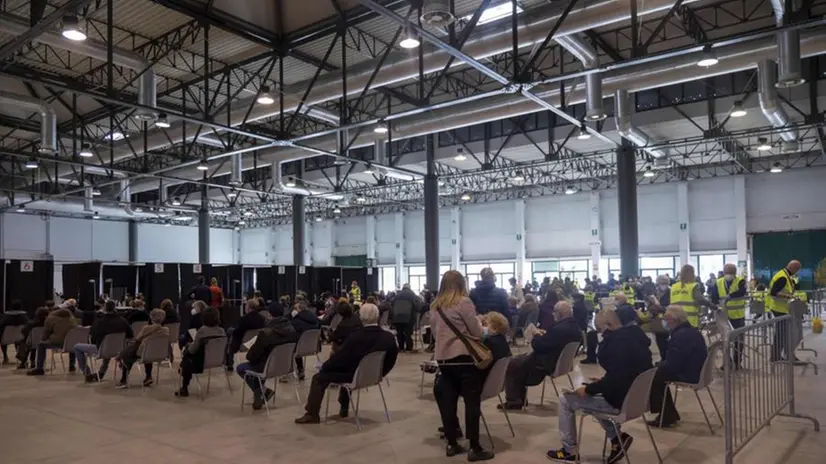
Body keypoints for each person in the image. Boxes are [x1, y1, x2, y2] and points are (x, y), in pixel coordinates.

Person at [546, 309, 653, 463]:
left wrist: (590, 389)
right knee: (592, 397)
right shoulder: (636, 338)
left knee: (565, 399)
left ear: (609, 325)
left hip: (621, 403)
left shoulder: (617, 344)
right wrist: (603, 381)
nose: (600, 335)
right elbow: (625, 372)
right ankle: (617, 438)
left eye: (600, 330)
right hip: (638, 400)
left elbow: (618, 376)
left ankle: (569, 451)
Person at [429, 270, 494, 461]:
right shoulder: (464, 302)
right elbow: (475, 331)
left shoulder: (434, 306)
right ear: (461, 284)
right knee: (471, 403)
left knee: (448, 401)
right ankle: (475, 447)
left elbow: (434, 333)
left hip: (443, 359)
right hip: (464, 359)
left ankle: (452, 443)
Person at [295, 304, 398, 424]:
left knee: (318, 378)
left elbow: (340, 359)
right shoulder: (389, 337)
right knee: (347, 370)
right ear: (378, 316)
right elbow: (392, 359)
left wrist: (324, 366)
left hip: (354, 376)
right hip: (373, 376)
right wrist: (381, 373)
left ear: (360, 317)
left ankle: (312, 414)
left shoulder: (356, 337)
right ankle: (343, 407)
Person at [437, 312, 512, 441]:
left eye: (485, 324)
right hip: (492, 385)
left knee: (441, 386)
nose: (482, 327)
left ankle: (452, 426)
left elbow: (475, 365)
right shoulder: (502, 343)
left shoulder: (488, 344)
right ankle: (452, 426)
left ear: (493, 327)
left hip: (478, 385)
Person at [500, 301, 582, 409]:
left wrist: (536, 335)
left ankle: (514, 400)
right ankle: (518, 398)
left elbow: (538, 346)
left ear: (559, 313)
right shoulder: (574, 327)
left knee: (512, 364)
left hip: (544, 362)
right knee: (518, 360)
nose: (553, 315)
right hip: (557, 361)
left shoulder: (559, 329)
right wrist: (546, 335)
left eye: (554, 312)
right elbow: (552, 341)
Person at [647, 306, 708, 428]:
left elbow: (673, 364)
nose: (664, 322)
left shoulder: (680, 336)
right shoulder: (691, 331)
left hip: (689, 373)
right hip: (698, 370)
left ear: (674, 320)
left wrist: (658, 365)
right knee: (658, 373)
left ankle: (666, 415)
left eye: (666, 319)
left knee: (652, 375)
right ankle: (668, 414)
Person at [236, 315, 298, 410]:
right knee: (258, 366)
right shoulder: (292, 332)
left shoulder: (266, 334)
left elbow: (250, 357)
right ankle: (261, 394)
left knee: (241, 368)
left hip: (267, 368)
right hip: (285, 367)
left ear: (271, 316)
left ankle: (262, 391)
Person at [73, 300, 133, 383]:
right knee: (108, 344)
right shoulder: (123, 321)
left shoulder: (99, 322)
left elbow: (92, 337)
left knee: (77, 347)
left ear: (104, 308)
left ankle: (87, 373)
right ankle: (101, 372)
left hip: (102, 349)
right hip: (119, 349)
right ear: (115, 308)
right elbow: (130, 335)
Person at [174, 307, 225, 397]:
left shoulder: (202, 330)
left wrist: (188, 346)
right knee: (188, 357)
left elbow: (193, 349)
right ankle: (182, 369)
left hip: (201, 363)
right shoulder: (221, 330)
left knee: (187, 355)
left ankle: (184, 388)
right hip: (218, 360)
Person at [116, 309, 170, 388]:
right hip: (159, 353)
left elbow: (137, 338)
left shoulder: (146, 328)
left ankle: (123, 379)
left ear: (151, 317)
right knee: (145, 349)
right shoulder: (166, 330)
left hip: (144, 352)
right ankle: (148, 376)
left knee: (129, 353)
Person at [710, 264, 747, 367]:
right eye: (727, 273)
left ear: (735, 273)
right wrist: (715, 306)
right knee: (724, 340)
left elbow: (742, 292)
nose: (729, 275)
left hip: (738, 315)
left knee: (739, 340)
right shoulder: (718, 282)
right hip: (723, 315)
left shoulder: (740, 281)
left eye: (731, 273)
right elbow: (714, 296)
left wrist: (731, 295)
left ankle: (738, 361)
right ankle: (727, 362)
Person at [27, 306, 78, 375]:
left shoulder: (50, 319)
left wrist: (45, 339)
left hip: (58, 343)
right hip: (71, 344)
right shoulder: (72, 319)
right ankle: (72, 365)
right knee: (71, 342)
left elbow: (45, 335)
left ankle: (39, 368)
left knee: (41, 345)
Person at [767, 260, 801, 361]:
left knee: (782, 333)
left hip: (783, 308)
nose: (797, 272)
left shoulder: (785, 275)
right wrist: (788, 296)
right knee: (781, 333)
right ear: (794, 268)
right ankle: (775, 356)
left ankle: (779, 355)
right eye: (797, 270)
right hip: (779, 308)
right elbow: (773, 292)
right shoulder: (782, 277)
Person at [224, 298, 267, 371]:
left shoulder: (244, 319)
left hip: (244, 342)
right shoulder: (262, 318)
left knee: (232, 337)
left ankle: (229, 363)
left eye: (246, 305)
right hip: (256, 341)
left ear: (249, 307)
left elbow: (238, 333)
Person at [670, 264, 710, 329]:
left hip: (675, 319)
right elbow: (700, 299)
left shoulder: (673, 287)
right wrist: (713, 306)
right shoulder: (693, 286)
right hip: (689, 320)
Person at [290, 301, 320, 380]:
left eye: (295, 308)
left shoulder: (296, 322)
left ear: (299, 310)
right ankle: (300, 371)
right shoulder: (316, 320)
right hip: (314, 347)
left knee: (288, 344)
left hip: (299, 349)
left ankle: (294, 371)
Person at [390, 283, 422, 352]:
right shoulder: (412, 294)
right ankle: (408, 348)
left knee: (400, 333)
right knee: (408, 333)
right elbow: (418, 307)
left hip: (397, 317)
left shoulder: (397, 295)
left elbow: (391, 305)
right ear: (409, 288)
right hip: (408, 317)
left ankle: (401, 347)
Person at [0, 300, 28, 365]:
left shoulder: (6, 315)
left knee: (2, 340)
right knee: (20, 339)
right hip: (20, 338)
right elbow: (28, 325)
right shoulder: (24, 316)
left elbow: (1, 324)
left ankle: (5, 357)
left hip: (6, 338)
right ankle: (21, 357)